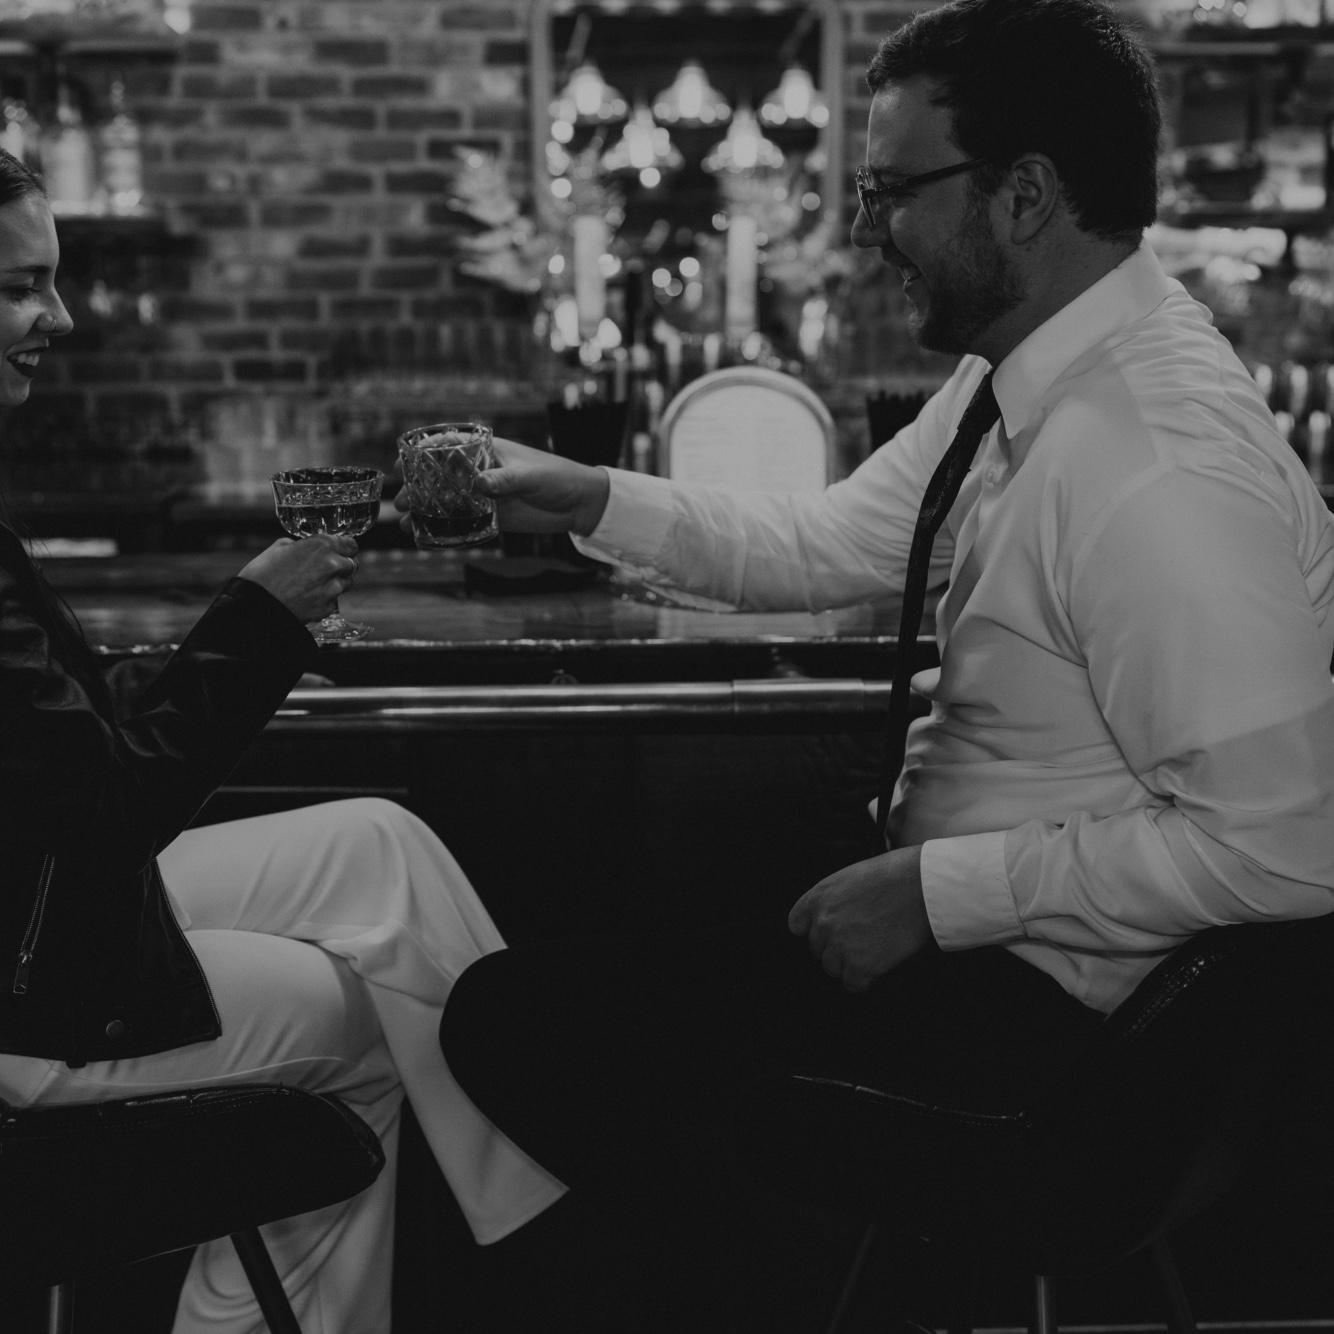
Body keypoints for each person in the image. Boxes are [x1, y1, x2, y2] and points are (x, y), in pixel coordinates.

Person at [429, 0, 1334, 1327]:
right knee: (579, 970)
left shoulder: (1155, 465)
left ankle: (842, 1290)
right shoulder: (1031, 370)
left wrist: (934, 891)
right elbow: (838, 536)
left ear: (1023, 194)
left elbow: (1286, 846)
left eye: (893, 191)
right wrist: (585, 495)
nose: (863, 231)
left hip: (1063, 1053)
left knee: (518, 1022)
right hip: (1001, 966)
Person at [0, 147, 564, 1334]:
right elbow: (107, 805)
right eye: (18, 285)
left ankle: (543, 1196)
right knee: (369, 1031)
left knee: (379, 842)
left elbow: (49, 739)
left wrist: (247, 631)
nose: (58, 314)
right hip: (26, 997)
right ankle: (549, 1260)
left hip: (39, 909)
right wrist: (258, 622)